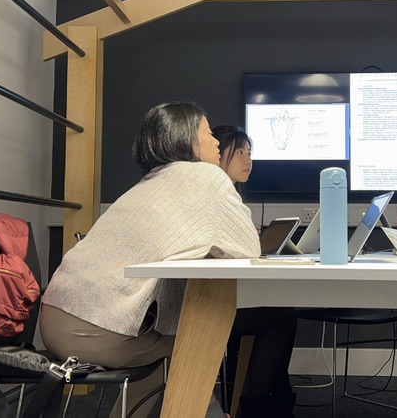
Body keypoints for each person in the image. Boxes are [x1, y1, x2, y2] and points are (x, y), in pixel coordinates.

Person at [40, 102, 294, 418]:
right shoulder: (205, 176)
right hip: (99, 331)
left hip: (54, 320)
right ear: (187, 140)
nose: (216, 141)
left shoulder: (149, 182)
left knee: (174, 333)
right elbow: (247, 249)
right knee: (199, 332)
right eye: (207, 132)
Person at [210, 124, 299, 414]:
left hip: (215, 296)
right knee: (282, 316)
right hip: (206, 305)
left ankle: (270, 399)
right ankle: (263, 404)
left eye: (250, 152)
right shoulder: (217, 196)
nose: (248, 160)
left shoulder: (225, 195)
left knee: (280, 311)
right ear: (217, 154)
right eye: (239, 152)